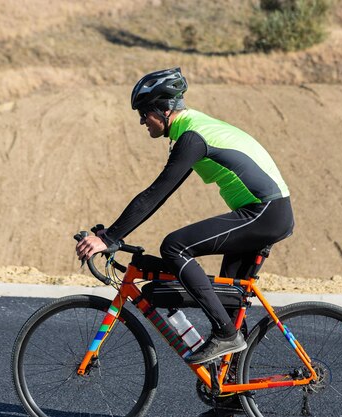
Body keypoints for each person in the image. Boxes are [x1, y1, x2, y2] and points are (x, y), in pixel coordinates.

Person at [75, 67, 294, 364]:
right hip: (262, 212)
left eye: (143, 113)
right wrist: (111, 235)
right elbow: (162, 194)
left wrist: (111, 237)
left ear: (164, 110)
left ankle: (226, 335)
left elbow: (156, 193)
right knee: (229, 304)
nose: (141, 120)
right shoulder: (191, 131)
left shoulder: (193, 137)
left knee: (175, 246)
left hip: (266, 212)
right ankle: (228, 401)